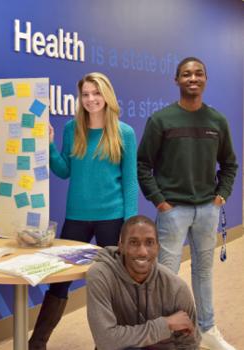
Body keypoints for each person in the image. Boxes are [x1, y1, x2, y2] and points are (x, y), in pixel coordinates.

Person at [29, 72, 138, 349]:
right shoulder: (71, 128)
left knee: (111, 286)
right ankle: (37, 342)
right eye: (86, 94)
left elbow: (129, 182)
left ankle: (106, 343)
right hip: (76, 218)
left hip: (112, 219)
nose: (91, 99)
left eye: (96, 93)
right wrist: (49, 146)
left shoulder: (124, 132)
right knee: (59, 282)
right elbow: (64, 171)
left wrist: (130, 227)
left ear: (107, 95)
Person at [137, 57, 238, 350]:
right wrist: (159, 201)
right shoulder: (161, 120)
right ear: (176, 80)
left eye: (198, 73)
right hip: (173, 211)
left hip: (208, 208)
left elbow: (230, 164)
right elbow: (143, 165)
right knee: (167, 276)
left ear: (205, 79)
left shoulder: (217, 121)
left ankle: (207, 330)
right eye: (186, 74)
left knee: (203, 272)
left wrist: (221, 196)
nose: (192, 78)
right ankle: (167, 333)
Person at [86, 215, 200, 349]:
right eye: (134, 242)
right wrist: (165, 325)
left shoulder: (176, 288)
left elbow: (189, 344)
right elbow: (105, 341)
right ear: (121, 246)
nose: (142, 252)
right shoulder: (101, 275)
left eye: (149, 242)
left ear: (158, 248)